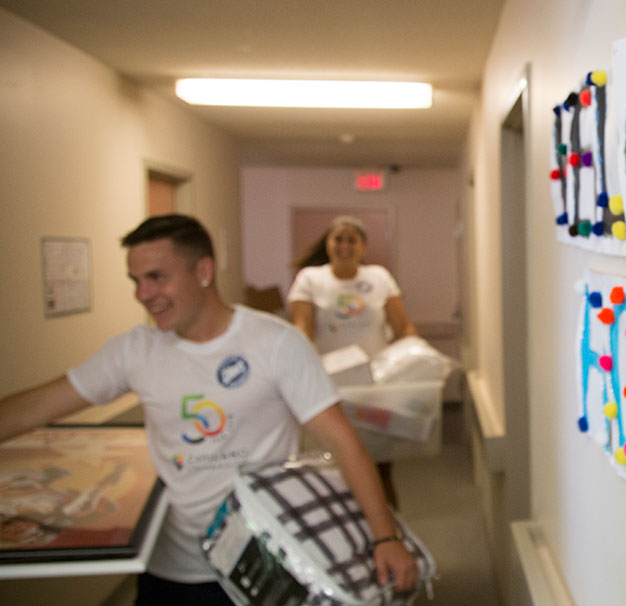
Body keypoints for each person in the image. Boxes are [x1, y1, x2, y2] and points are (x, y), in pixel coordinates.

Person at [0, 215, 417, 605]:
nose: (144, 295)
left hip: (266, 563)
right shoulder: (134, 351)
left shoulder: (275, 344)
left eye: (157, 278)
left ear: (203, 272)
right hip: (174, 568)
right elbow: (34, 408)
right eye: (136, 281)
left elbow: (343, 442)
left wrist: (385, 538)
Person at [287, 215, 418, 507]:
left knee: (381, 467)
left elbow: (403, 327)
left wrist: (417, 358)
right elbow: (302, 327)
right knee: (336, 468)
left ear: (363, 247)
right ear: (328, 244)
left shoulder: (379, 277)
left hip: (375, 390)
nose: (344, 246)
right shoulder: (311, 279)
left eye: (351, 240)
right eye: (338, 239)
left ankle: (388, 530)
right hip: (331, 390)